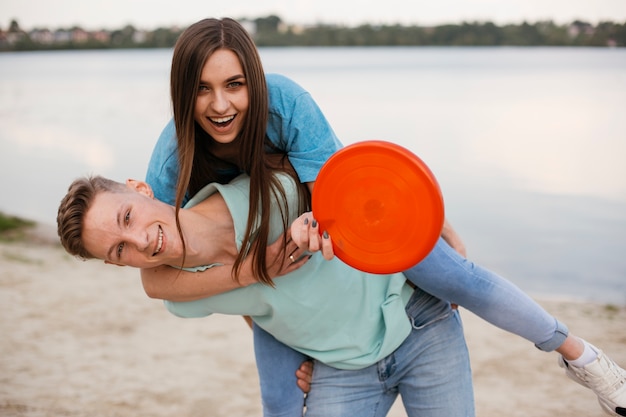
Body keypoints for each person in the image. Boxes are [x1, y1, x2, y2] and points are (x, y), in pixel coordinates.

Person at [142, 17, 626, 417]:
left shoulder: (285, 102)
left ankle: (582, 356)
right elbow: (164, 275)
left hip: (335, 214)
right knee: (280, 402)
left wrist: (429, 220)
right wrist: (271, 305)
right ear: (183, 93)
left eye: (234, 85)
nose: (220, 105)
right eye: (202, 90)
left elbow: (334, 201)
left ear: (255, 81)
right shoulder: (173, 161)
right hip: (268, 273)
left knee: (456, 275)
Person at [56, 171, 476, 417]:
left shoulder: (266, 187)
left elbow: (355, 187)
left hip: (420, 320)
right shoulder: (180, 293)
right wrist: (305, 347)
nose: (141, 241)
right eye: (119, 249)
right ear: (115, 264)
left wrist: (438, 225)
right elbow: (250, 305)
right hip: (344, 364)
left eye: (127, 217)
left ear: (140, 188)